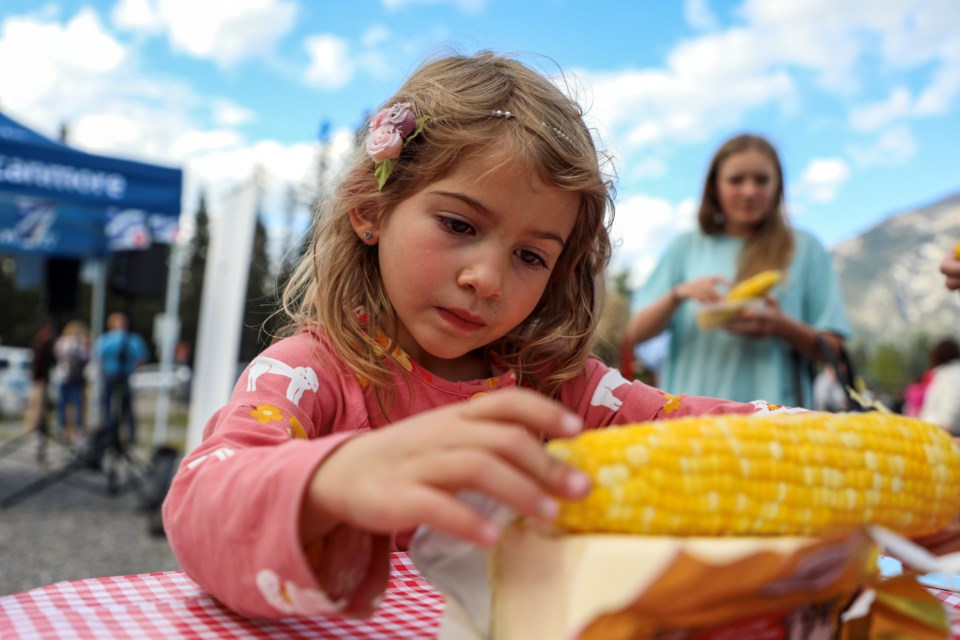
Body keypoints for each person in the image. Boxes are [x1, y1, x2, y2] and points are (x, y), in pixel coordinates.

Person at [162, 51, 777, 620]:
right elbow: (201, 501)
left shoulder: (559, 388)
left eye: (531, 257)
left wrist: (806, 430)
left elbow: (696, 427)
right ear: (371, 210)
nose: (486, 279)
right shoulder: (308, 373)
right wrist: (333, 478)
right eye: (459, 223)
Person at [621, 133, 851, 407]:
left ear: (778, 185)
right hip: (690, 420)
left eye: (761, 180)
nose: (750, 191)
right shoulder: (686, 247)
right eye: (736, 180)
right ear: (714, 187)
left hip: (778, 423)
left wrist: (781, 326)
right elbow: (633, 333)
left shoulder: (805, 248)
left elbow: (833, 348)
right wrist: (677, 295)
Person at [94, 311, 148, 449]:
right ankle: (112, 433)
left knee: (124, 405)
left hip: (121, 376)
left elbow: (140, 357)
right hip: (114, 375)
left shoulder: (129, 339)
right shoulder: (110, 339)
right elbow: (98, 356)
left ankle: (125, 435)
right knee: (111, 405)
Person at [23, 318, 57, 461]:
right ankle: (33, 426)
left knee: (40, 406)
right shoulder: (41, 345)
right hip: (40, 379)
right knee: (36, 405)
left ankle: (37, 425)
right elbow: (41, 363)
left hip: (41, 379)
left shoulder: (41, 344)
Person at [53, 319, 91, 444]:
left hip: (63, 376)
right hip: (75, 377)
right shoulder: (77, 343)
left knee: (63, 405)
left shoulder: (60, 342)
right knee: (77, 405)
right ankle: (77, 432)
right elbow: (86, 358)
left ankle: (63, 430)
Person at [919, 338, 960, 433]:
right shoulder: (947, 373)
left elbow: (953, 402)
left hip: (942, 432)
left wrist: (947, 426)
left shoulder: (951, 374)